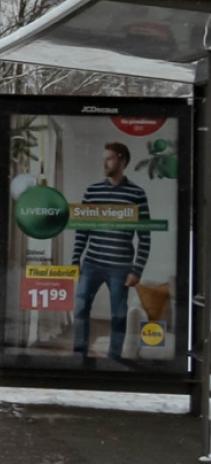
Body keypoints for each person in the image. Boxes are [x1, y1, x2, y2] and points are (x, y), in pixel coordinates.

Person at [72, 142, 151, 361]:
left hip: (121, 267)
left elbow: (145, 235)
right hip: (91, 263)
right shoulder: (93, 191)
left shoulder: (136, 193)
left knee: (118, 314)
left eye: (110, 158)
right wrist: (75, 259)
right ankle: (79, 355)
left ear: (123, 161)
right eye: (103, 158)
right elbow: (82, 228)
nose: (105, 163)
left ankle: (114, 357)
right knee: (80, 309)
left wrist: (137, 269)